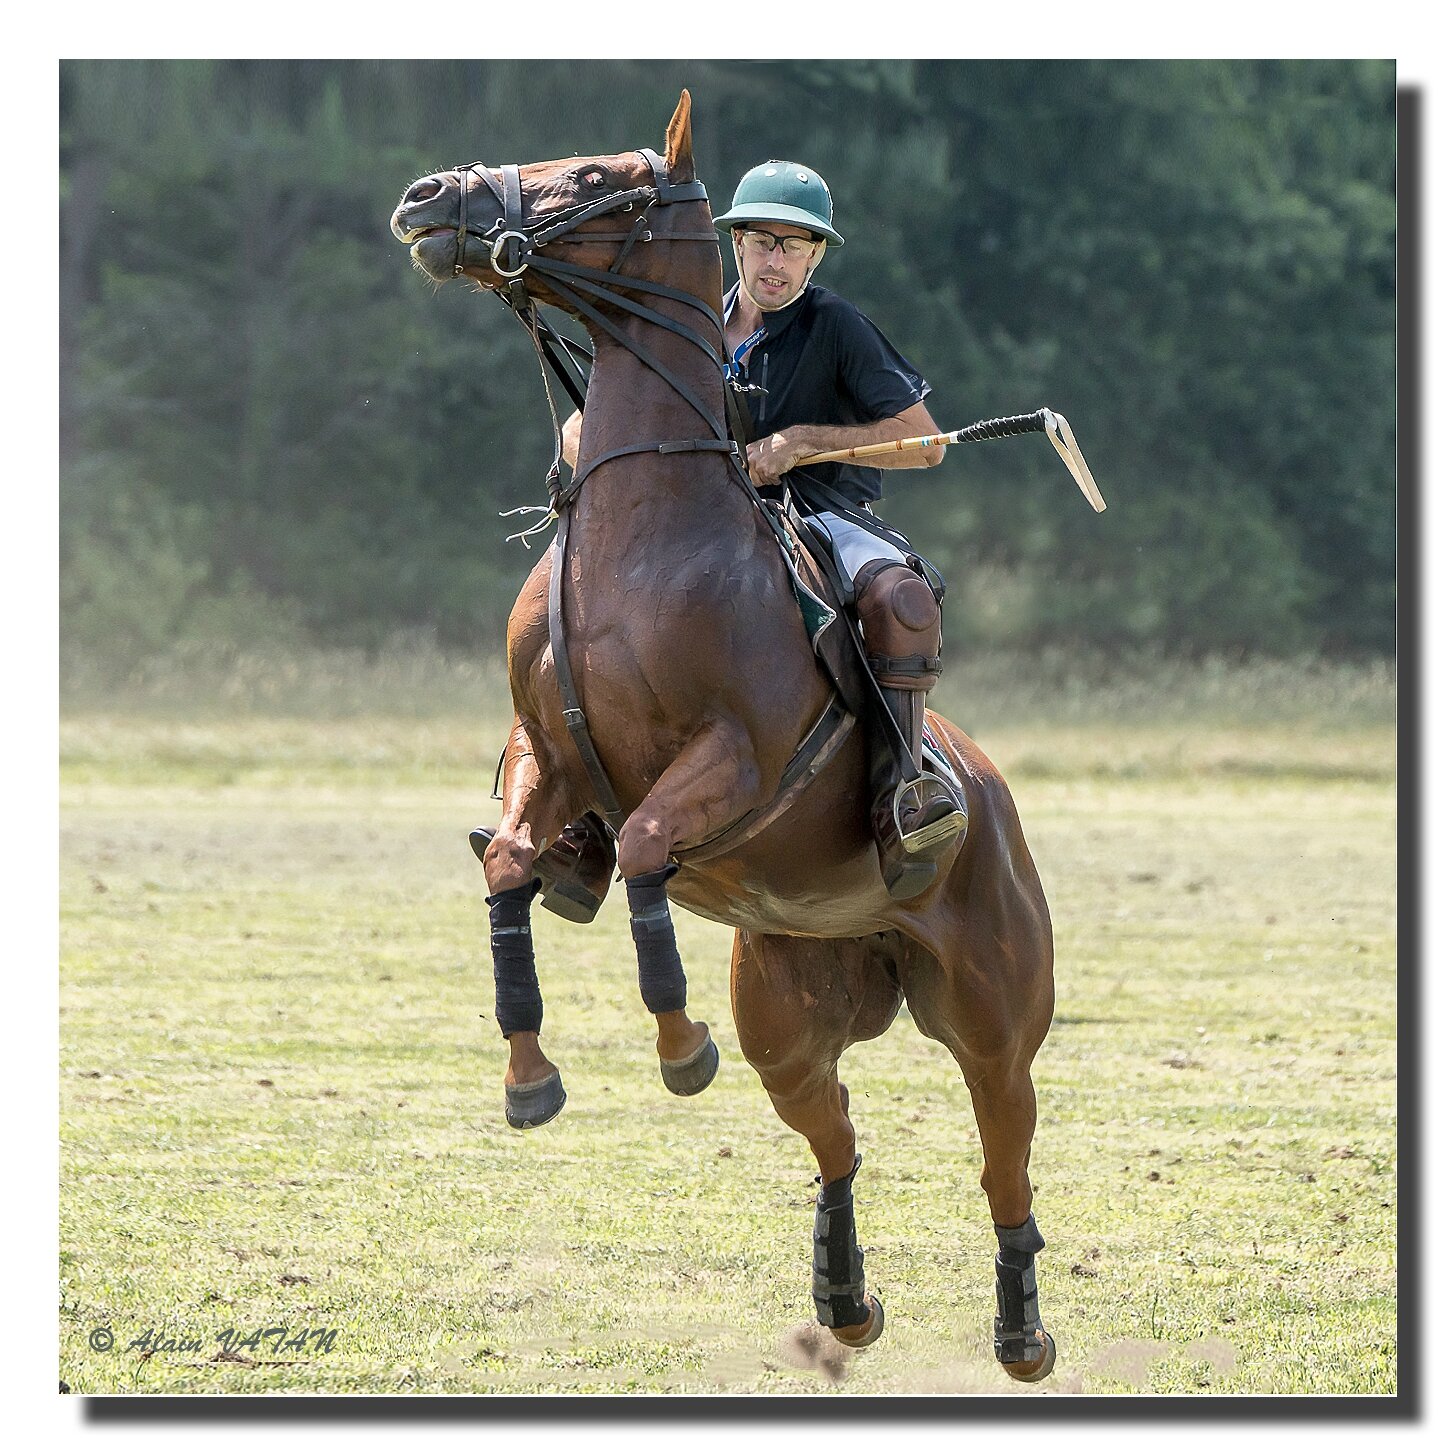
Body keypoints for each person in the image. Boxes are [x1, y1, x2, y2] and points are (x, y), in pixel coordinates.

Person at [552, 159, 964, 902]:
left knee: (902, 599)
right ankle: (577, 820)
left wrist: (802, 442)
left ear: (817, 254)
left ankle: (903, 793)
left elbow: (924, 441)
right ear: (735, 244)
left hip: (821, 516)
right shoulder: (686, 323)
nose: (777, 260)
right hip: (688, 532)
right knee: (580, 607)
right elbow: (584, 427)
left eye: (795, 245)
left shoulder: (835, 327)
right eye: (763, 241)